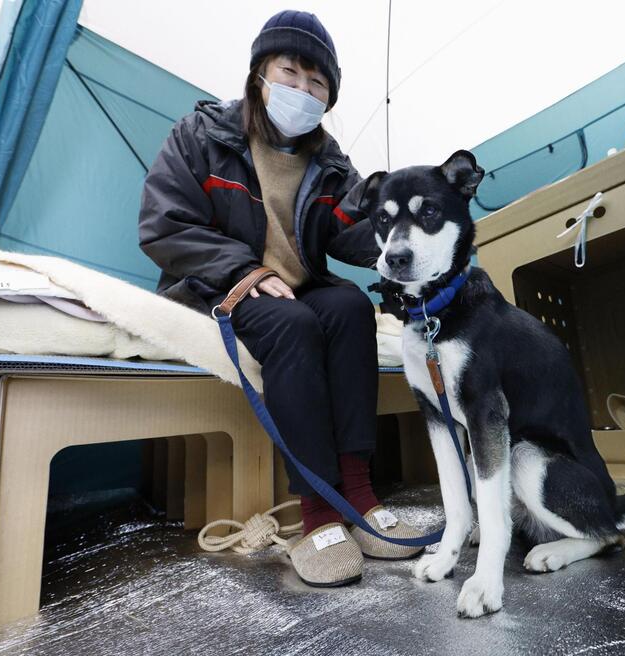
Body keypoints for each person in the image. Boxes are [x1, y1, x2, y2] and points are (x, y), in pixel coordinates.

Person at [138, 10, 423, 587]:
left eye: (317, 84)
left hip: (297, 286)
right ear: (259, 75)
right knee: (292, 324)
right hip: (218, 288)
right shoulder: (200, 135)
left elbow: (351, 232)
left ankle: (359, 497)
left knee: (345, 307)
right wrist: (241, 270)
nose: (302, 90)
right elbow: (163, 227)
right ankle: (316, 511)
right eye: (289, 73)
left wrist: (408, 250)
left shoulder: (331, 161)